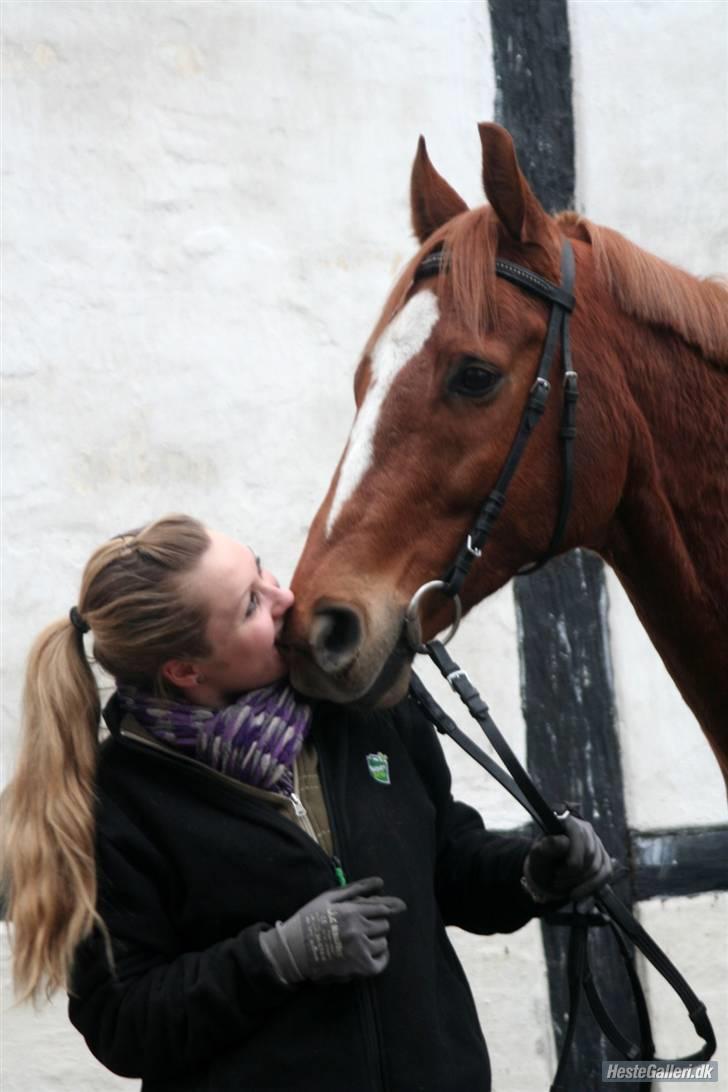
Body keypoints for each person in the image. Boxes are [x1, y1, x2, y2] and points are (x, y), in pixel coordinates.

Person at [2, 513, 612, 1092]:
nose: (284, 598)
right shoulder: (116, 804)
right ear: (185, 669)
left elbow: (446, 863)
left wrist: (530, 872)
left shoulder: (365, 709)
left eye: (263, 571)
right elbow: (124, 1023)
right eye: (249, 606)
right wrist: (276, 957)